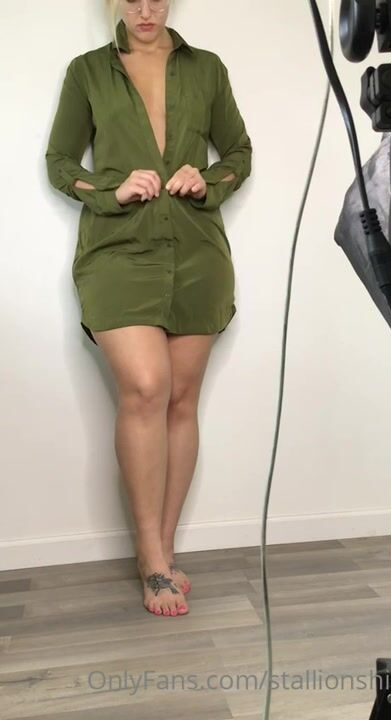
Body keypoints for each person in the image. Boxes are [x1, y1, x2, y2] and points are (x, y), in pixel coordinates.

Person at [45, 0, 252, 617]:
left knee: (181, 399)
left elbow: (238, 152)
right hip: (118, 253)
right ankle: (151, 558)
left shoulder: (207, 68)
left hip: (197, 254)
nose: (145, 9)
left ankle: (161, 550)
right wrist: (111, 189)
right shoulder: (88, 70)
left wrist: (209, 180)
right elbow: (60, 163)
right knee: (146, 387)